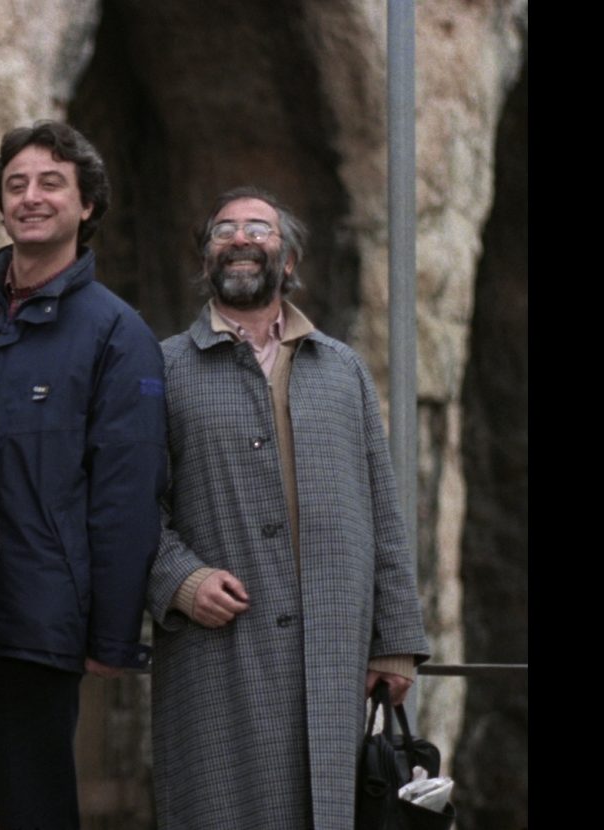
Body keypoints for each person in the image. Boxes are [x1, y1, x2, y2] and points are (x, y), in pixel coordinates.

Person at [0, 121, 167, 827]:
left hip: (35, 626)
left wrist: (112, 635)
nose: (31, 197)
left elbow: (126, 493)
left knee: (35, 813)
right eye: (16, 185)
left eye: (51, 183)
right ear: (0, 205)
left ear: (87, 205)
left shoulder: (117, 334)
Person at [148, 186, 430, 829]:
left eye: (259, 228)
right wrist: (181, 580)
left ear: (290, 259)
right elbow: (131, 508)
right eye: (223, 230)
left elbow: (383, 511)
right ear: (206, 259)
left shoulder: (343, 369)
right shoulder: (164, 368)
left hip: (335, 653)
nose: (240, 240)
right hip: (218, 656)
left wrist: (395, 643)